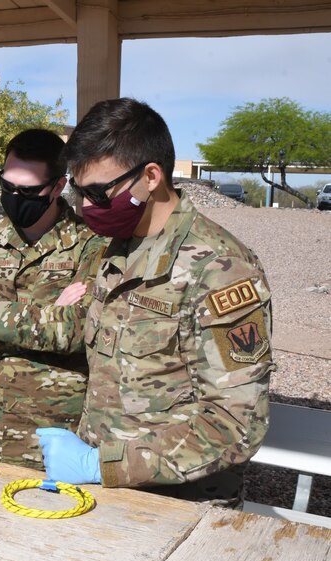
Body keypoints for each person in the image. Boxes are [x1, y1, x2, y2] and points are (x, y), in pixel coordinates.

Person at [36, 98, 273, 508]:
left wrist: (101, 464)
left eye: (98, 193)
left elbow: (235, 424)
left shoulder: (220, 268)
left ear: (150, 176)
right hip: (109, 493)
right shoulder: (122, 248)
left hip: (180, 505)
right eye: (80, 192)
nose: (87, 207)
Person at [0, 129, 106, 469]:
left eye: (28, 191)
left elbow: (80, 331)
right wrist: (48, 314)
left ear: (58, 187)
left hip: (57, 438)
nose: (15, 196)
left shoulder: (93, 246)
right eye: (7, 186)